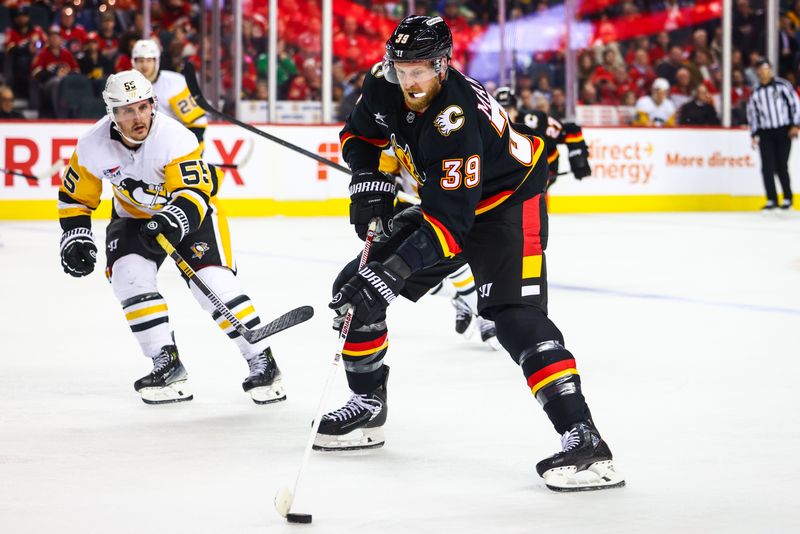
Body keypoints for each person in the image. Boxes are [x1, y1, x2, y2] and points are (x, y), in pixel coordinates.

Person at [315, 16, 624, 492]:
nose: (408, 80)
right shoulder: (383, 82)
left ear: (443, 65)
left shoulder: (455, 118)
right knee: (354, 290)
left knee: (512, 316)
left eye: (419, 70)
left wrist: (390, 274)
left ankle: (584, 441)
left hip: (507, 202)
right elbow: (361, 136)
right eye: (401, 68)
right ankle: (368, 407)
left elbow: (451, 227)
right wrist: (368, 184)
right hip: (452, 202)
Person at [57, 70, 284, 405]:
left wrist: (171, 221)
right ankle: (166, 363)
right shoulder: (92, 145)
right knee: (129, 278)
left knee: (213, 286)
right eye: (126, 110)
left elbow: (193, 193)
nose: (137, 117)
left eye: (142, 107)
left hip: (191, 215)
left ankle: (261, 359)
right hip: (133, 217)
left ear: (153, 104)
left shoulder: (175, 137)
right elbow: (75, 196)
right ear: (111, 114)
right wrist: (75, 235)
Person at [131, 39, 208, 150]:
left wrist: (187, 151)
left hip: (175, 147)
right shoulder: (126, 86)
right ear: (133, 62)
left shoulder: (175, 84)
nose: (144, 65)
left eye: (149, 60)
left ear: (156, 61)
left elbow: (198, 123)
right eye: (140, 60)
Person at [746, 59, 800, 210]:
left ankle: (788, 198)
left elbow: (795, 104)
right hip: (765, 132)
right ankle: (771, 198)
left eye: (766, 68)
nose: (764, 71)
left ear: (770, 70)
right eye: (761, 69)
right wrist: (754, 134)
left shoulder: (782, 86)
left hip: (783, 130)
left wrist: (795, 125)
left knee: (781, 165)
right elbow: (752, 114)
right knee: (767, 167)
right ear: (757, 72)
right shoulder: (755, 92)